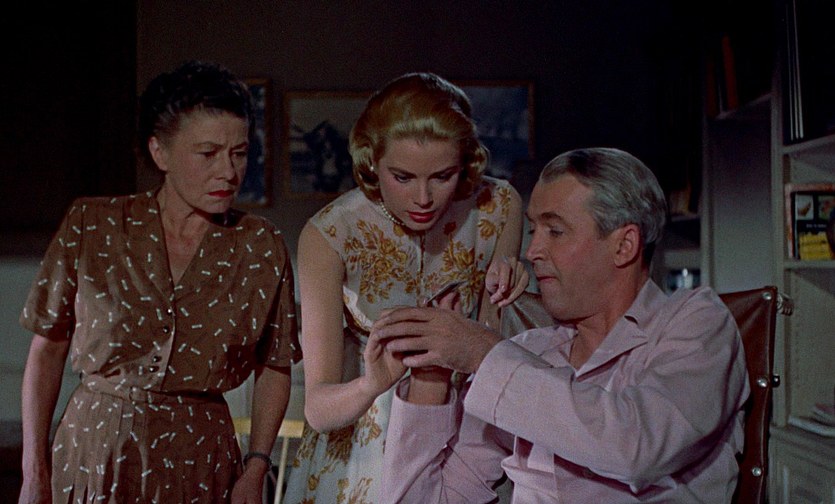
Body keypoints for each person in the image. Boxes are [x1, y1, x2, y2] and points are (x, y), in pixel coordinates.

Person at [370, 147, 750, 502]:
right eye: (533, 231)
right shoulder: (531, 353)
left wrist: (482, 354)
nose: (532, 251)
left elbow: (638, 448)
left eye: (555, 231)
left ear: (624, 246)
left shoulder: (697, 323)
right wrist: (431, 378)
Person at [17, 60, 300, 504]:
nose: (228, 172)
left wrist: (256, 466)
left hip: (201, 458)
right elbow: (47, 350)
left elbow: (275, 365)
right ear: (160, 152)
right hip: (98, 450)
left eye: (239, 153)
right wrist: (34, 472)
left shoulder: (260, 246)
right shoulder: (93, 225)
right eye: (208, 153)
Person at [283, 72, 528, 503]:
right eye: (403, 177)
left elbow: (494, 357)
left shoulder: (499, 207)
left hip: (464, 439)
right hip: (360, 448)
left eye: (443, 176)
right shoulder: (329, 234)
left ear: (466, 162)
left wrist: (512, 290)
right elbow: (318, 409)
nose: (423, 198)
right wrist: (370, 384)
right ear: (371, 160)